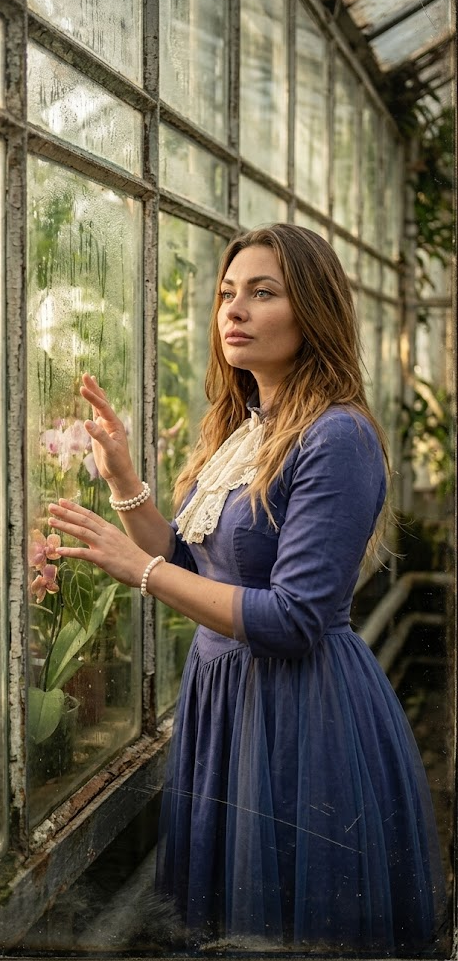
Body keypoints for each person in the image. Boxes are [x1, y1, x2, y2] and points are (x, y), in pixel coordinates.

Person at [48, 223, 445, 953]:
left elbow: (294, 617)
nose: (233, 309)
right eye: (228, 292)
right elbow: (194, 564)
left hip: (297, 707)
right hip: (225, 697)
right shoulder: (245, 428)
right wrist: (124, 479)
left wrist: (139, 570)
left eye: (263, 293)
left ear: (313, 311)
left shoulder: (336, 436)